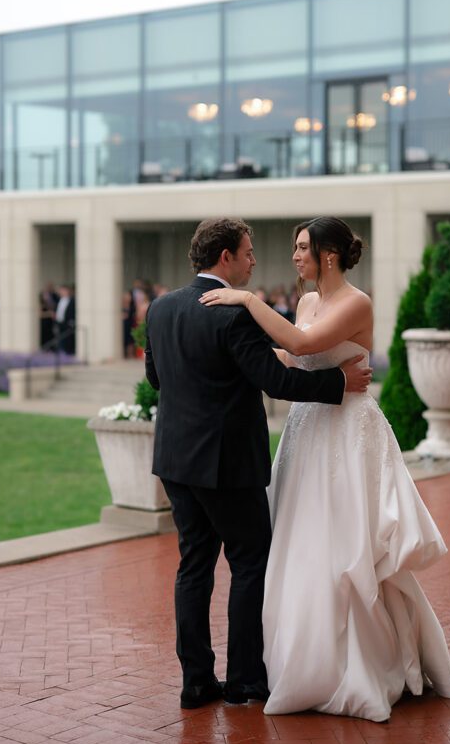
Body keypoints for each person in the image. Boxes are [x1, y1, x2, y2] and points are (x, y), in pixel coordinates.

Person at [200, 216, 450, 723]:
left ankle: (361, 667)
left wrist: (249, 302)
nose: (294, 256)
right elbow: (295, 359)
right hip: (308, 429)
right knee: (300, 540)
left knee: (347, 543)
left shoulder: (357, 302)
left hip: (348, 433)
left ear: (330, 255)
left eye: (303, 247)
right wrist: (238, 358)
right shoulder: (308, 302)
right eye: (295, 247)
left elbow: (302, 345)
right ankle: (296, 660)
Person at [145, 217, 372, 711]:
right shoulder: (233, 314)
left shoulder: (160, 308)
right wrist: (339, 385)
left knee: (193, 566)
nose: (254, 260)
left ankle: (197, 683)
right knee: (250, 563)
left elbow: (156, 377)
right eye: (247, 252)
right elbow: (278, 382)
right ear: (225, 257)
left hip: (175, 462)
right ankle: (246, 680)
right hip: (227, 465)